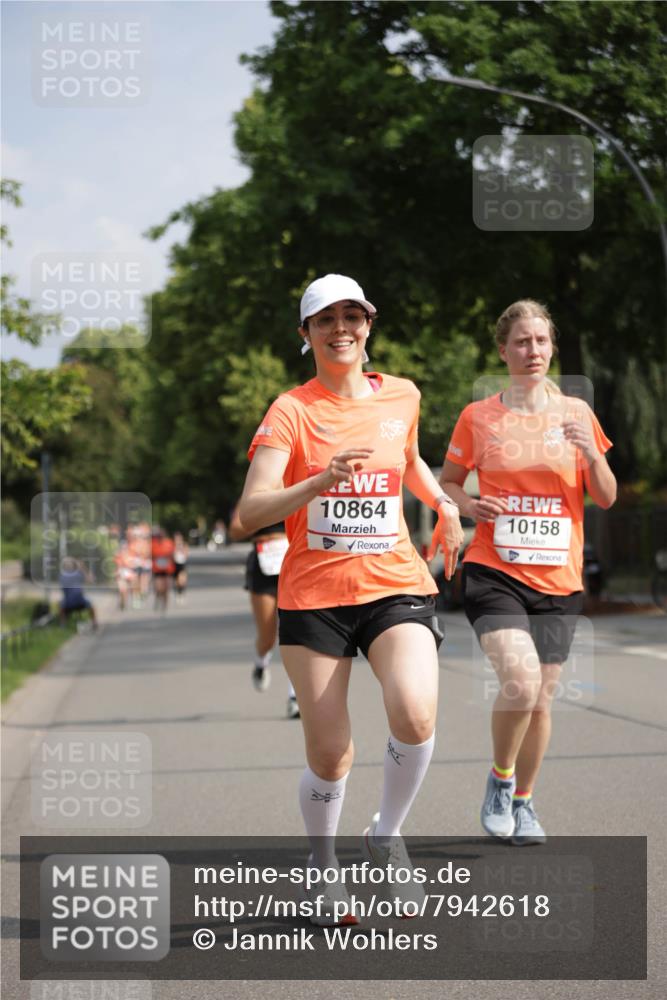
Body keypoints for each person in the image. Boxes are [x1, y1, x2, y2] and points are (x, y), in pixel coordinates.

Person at [238, 273, 463, 924]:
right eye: (325, 319)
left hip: (394, 579)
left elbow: (410, 459)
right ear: (304, 335)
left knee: (415, 712)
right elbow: (253, 508)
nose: (341, 328)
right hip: (315, 597)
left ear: (369, 324)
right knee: (331, 754)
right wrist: (316, 481)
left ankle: (386, 833)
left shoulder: (401, 394)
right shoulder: (291, 411)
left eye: (352, 316)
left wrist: (443, 506)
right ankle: (323, 860)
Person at [436, 299, 616, 846]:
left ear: (552, 347)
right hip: (495, 571)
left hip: (559, 579)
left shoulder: (577, 415)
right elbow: (447, 483)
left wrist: (593, 455)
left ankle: (524, 803)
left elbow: (606, 497)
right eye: (520, 341)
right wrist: (468, 507)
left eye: (540, 340)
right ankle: (501, 778)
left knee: (540, 699)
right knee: (520, 680)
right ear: (503, 351)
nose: (531, 350)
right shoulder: (479, 417)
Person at [228, 507, 300, 719]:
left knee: (297, 631)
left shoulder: (304, 480)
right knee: (268, 636)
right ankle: (261, 662)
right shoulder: (259, 482)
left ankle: (295, 697)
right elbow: (235, 531)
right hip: (264, 560)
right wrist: (264, 512)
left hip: (295, 557)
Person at [59, 557, 97, 629]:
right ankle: (94, 623)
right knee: (61, 604)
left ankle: (63, 624)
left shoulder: (65, 575)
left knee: (61, 604)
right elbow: (91, 580)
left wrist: (81, 569)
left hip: (76, 600)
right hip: (72, 601)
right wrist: (82, 568)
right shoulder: (74, 575)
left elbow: (91, 580)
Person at [151, 526, 175, 612]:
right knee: (158, 587)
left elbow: (173, 554)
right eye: (159, 535)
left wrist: (168, 557)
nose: (160, 537)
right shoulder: (153, 544)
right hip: (157, 569)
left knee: (166, 588)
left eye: (162, 535)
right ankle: (157, 598)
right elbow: (151, 555)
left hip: (167, 569)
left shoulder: (169, 543)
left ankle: (165, 604)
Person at [173, 532, 189, 603]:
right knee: (177, 581)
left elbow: (186, 554)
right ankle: (178, 593)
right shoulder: (173, 545)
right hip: (174, 564)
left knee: (182, 580)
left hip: (182, 564)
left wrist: (181, 550)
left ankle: (182, 593)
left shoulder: (184, 545)